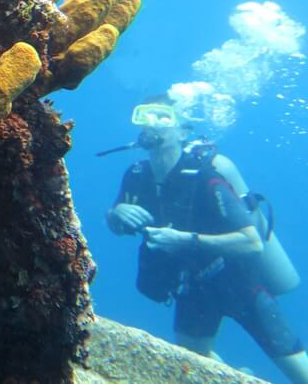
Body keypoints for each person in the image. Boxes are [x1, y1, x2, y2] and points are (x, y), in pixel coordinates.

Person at [106, 98, 308, 383]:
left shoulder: (205, 178)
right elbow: (115, 225)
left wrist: (186, 240)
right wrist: (116, 213)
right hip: (193, 289)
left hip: (240, 283)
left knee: (300, 372)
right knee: (191, 370)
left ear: (182, 132)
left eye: (163, 117)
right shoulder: (136, 176)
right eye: (144, 116)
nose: (152, 123)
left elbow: (252, 242)